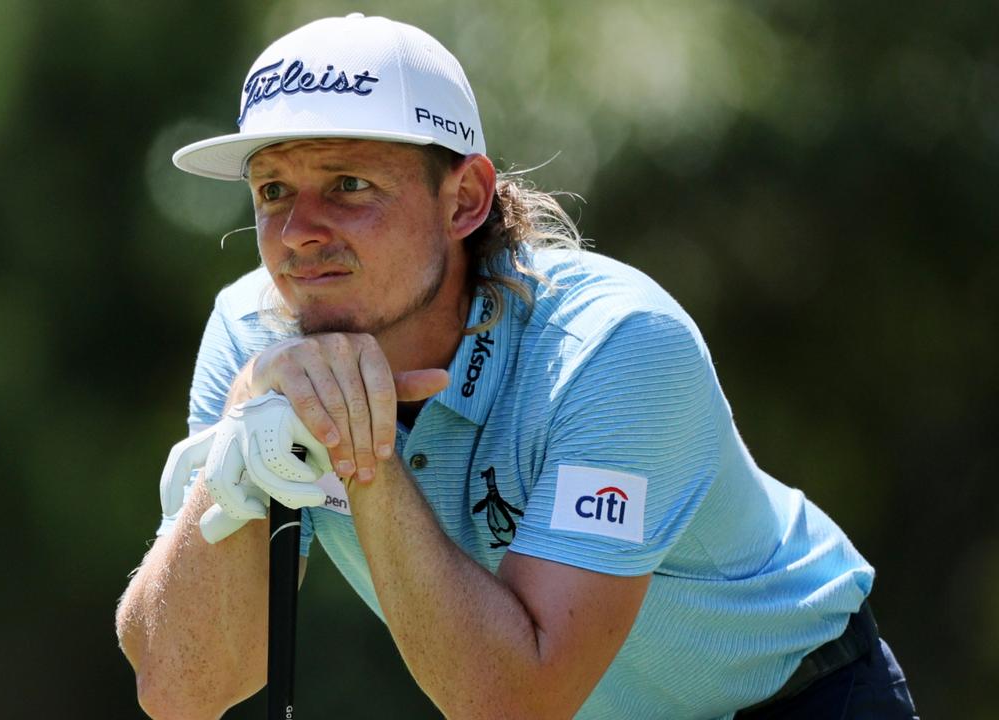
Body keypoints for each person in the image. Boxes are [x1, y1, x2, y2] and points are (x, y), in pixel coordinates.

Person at [115, 13, 918, 719]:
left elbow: (514, 705)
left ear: (463, 200)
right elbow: (182, 690)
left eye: (349, 184)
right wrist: (238, 453)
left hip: (796, 699)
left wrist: (360, 447)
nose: (295, 232)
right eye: (272, 189)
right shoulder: (255, 338)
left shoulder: (616, 346)